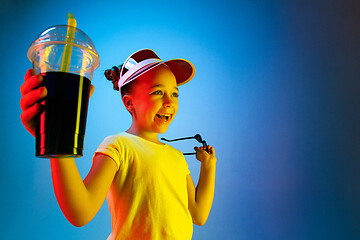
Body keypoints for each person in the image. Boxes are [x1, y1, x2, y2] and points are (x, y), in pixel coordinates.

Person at [20, 49, 217, 240]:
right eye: (158, 92)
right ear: (129, 103)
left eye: (174, 94)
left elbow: (198, 215)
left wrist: (208, 166)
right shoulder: (119, 146)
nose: (169, 102)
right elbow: (81, 212)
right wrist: (57, 139)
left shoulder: (176, 157)